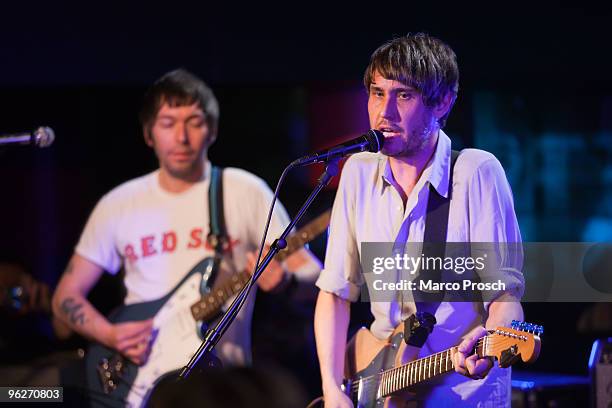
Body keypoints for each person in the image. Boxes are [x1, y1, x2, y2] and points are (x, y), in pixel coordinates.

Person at [51, 69, 320, 372]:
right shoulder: (118, 203)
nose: (181, 137)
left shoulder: (245, 190)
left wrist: (286, 282)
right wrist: (111, 335)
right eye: (168, 124)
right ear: (148, 133)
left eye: (194, 122)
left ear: (213, 130)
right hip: (139, 385)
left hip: (221, 385)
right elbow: (65, 297)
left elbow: (313, 275)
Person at [314, 33, 525, 407]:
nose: (384, 112)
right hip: (374, 378)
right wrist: (332, 389)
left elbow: (504, 299)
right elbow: (334, 293)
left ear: (443, 101)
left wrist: (492, 344)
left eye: (404, 95)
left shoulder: (476, 172)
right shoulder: (358, 172)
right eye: (377, 93)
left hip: (458, 393)